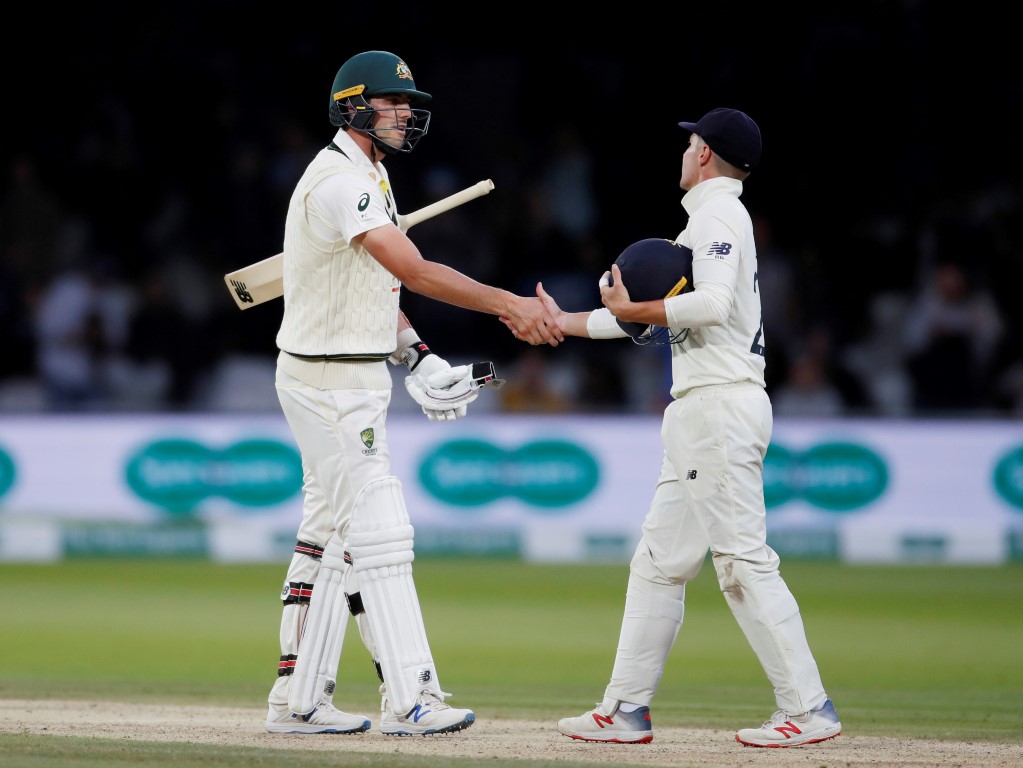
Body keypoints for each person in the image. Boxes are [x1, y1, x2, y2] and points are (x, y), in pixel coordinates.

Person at [264, 50, 562, 737]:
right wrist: (507, 304)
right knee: (381, 535)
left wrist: (418, 356)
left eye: (407, 105)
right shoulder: (342, 182)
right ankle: (411, 700)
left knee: (330, 537)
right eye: (394, 103)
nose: (406, 115)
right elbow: (414, 269)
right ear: (354, 106)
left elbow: (375, 286)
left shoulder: (369, 176)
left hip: (350, 373)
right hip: (329, 381)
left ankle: (296, 701)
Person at [529, 108, 841, 748]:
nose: (684, 151)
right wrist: (568, 323)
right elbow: (646, 320)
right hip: (703, 412)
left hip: (719, 410)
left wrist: (633, 305)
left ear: (703, 154)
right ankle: (625, 710)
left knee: (743, 564)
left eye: (690, 142)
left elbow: (711, 304)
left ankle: (808, 710)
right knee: (658, 564)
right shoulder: (706, 221)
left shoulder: (719, 216)